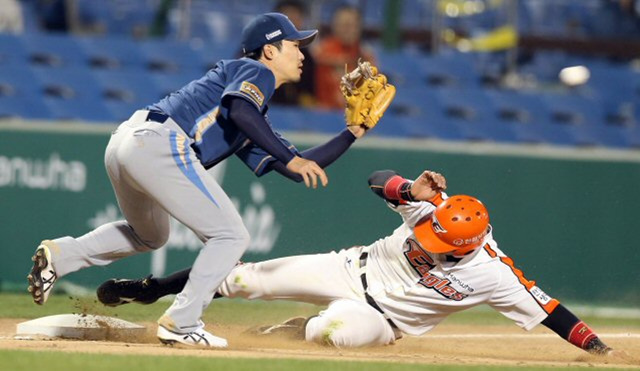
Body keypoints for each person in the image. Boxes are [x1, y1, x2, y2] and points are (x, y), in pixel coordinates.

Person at [27, 12, 372, 349]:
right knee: (231, 234)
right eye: (294, 45)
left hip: (129, 141)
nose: (302, 53)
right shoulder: (254, 72)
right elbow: (243, 113)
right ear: (270, 50)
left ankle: (62, 255)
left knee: (150, 234)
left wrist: (353, 131)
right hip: (160, 141)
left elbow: (298, 166)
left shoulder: (252, 117)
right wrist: (291, 158)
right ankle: (183, 322)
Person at [96, 169, 615, 354]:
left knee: (334, 334)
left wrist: (594, 345)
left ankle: (299, 330)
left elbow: (550, 310)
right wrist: (409, 187)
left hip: (380, 319)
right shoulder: (431, 210)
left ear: (468, 245)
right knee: (242, 278)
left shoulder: (495, 273)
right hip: (348, 267)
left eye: (440, 241)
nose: (429, 237)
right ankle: (153, 288)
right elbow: (376, 178)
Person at [313, 5, 376, 109]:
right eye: (344, 25)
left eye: (353, 25)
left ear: (360, 28)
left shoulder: (367, 57)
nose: (348, 30)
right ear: (334, 26)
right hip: (322, 115)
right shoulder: (319, 52)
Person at [270, 0, 317, 107]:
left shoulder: (307, 58)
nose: (291, 24)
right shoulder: (256, 49)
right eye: (287, 18)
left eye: (295, 18)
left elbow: (309, 96)